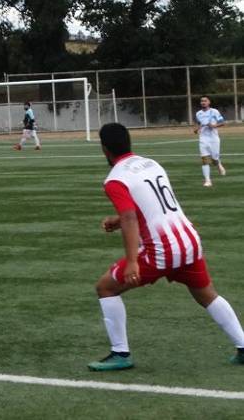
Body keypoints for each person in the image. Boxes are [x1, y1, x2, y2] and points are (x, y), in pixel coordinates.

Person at [88, 123, 244, 371]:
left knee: (105, 288)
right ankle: (243, 345)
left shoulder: (115, 180)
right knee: (206, 294)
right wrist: (117, 221)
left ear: (104, 149)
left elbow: (130, 217)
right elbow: (152, 205)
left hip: (161, 250)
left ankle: (120, 353)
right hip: (189, 240)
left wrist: (131, 261)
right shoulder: (151, 163)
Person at [194, 96, 226, 187]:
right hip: (203, 139)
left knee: (214, 159)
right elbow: (199, 124)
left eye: (205, 101)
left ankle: (218, 164)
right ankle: (208, 180)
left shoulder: (214, 111)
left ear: (209, 102)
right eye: (201, 101)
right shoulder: (198, 113)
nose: (203, 102)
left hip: (214, 139)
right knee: (204, 160)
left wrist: (214, 126)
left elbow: (222, 122)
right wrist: (196, 129)